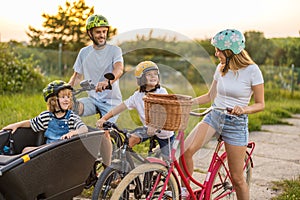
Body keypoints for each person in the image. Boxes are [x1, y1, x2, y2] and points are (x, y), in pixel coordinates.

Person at [181, 29, 265, 199]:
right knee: (186, 152)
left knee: (237, 178)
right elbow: (210, 96)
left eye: (218, 50)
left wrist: (244, 109)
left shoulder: (252, 70)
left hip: (236, 123)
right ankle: (184, 192)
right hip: (215, 116)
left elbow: (260, 104)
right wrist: (189, 102)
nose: (216, 53)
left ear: (230, 52)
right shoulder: (221, 68)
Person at [68, 14, 124, 168]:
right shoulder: (84, 52)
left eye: (104, 31)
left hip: (111, 102)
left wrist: (108, 81)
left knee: (103, 130)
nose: (102, 35)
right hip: (92, 99)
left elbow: (119, 69)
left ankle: (108, 171)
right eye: (98, 32)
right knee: (70, 109)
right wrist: (64, 92)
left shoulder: (114, 50)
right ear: (90, 33)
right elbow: (77, 76)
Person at [96, 61, 174, 157]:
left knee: (167, 161)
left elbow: (165, 111)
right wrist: (104, 118)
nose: (153, 76)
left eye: (155, 74)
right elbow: (121, 106)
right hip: (147, 129)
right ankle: (123, 163)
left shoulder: (162, 92)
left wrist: (156, 125)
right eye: (149, 74)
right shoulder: (137, 95)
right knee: (130, 140)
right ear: (141, 78)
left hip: (164, 132)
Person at [2, 80, 88, 152]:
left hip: (64, 152)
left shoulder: (72, 117)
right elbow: (31, 123)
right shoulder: (46, 116)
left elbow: (84, 129)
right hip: (48, 151)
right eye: (63, 97)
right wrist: (16, 125)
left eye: (68, 97)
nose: (67, 99)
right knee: (26, 150)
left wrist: (73, 133)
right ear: (53, 101)